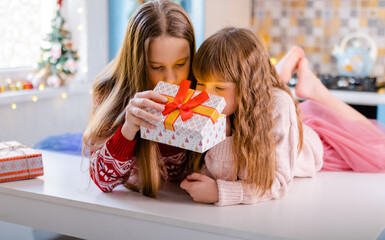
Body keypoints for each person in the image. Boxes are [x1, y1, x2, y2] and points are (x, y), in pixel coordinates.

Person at [179, 27, 385, 206]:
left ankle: (315, 89)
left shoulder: (277, 107)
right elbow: (222, 170)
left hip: (313, 146)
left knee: (378, 149)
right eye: (201, 83)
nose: (206, 96)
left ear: (247, 87)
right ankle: (280, 74)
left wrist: (219, 192)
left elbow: (276, 182)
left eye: (219, 87)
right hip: (282, 119)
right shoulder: (223, 106)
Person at [83, 0, 199, 197]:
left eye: (180, 64)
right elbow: (103, 181)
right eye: (156, 67)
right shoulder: (110, 92)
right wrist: (128, 130)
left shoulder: (204, 88)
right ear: (136, 63)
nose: (171, 79)